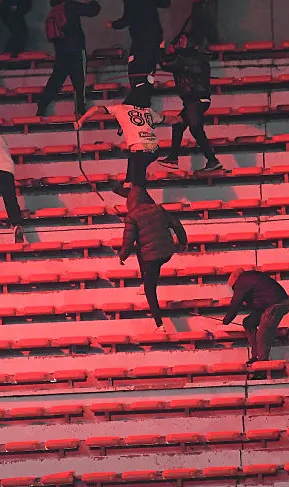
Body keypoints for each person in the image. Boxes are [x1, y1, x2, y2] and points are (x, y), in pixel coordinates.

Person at [75, 86, 167, 197]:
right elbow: (169, 119)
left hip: (140, 151)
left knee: (138, 185)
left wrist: (81, 121)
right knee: (133, 157)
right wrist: (180, 119)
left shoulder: (121, 108)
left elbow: (96, 109)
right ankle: (128, 184)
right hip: (154, 149)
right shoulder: (149, 111)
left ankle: (134, 192)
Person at [118, 186, 187, 327]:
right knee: (142, 250)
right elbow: (176, 224)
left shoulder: (132, 216)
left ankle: (159, 324)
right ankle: (145, 280)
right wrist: (183, 242)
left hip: (151, 258)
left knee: (150, 289)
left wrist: (122, 257)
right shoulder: (158, 209)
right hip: (166, 251)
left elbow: (128, 241)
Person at [158, 35, 222, 172]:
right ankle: (173, 158)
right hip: (196, 99)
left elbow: (165, 64)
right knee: (178, 124)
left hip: (195, 99)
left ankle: (212, 160)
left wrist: (161, 49)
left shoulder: (185, 57)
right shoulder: (195, 56)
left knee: (195, 128)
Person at [37, 0, 101, 117]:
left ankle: (42, 105)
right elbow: (93, 11)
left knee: (55, 80)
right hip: (75, 49)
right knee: (79, 81)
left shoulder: (54, 10)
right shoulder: (70, 5)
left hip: (60, 51)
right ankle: (80, 109)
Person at [221, 269, 289, 363]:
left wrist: (226, 320)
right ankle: (256, 356)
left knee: (263, 333)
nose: (235, 290)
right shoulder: (251, 276)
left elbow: (236, 302)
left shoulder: (242, 281)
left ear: (235, 280)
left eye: (234, 287)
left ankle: (262, 361)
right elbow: (259, 296)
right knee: (249, 322)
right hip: (274, 303)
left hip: (275, 304)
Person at [108, 0, 171, 90]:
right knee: (149, 68)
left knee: (137, 69)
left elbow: (127, 19)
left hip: (142, 39)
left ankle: (140, 92)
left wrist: (113, 24)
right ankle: (145, 90)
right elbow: (165, 3)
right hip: (155, 37)